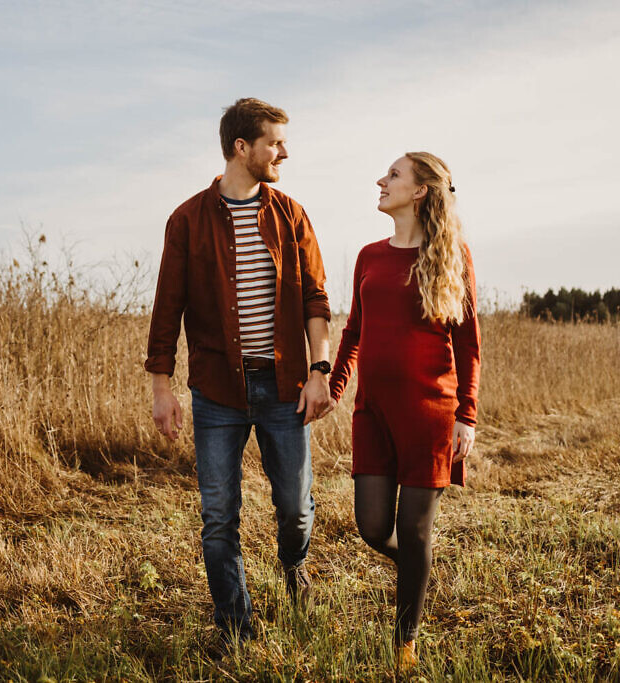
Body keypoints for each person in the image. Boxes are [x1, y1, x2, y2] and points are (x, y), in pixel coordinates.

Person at [145, 98, 334, 646]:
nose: (284, 152)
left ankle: (293, 566)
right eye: (275, 142)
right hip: (217, 393)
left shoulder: (291, 215)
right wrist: (162, 388)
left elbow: (317, 300)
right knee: (219, 515)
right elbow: (167, 307)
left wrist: (320, 368)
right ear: (241, 147)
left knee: (295, 506)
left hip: (284, 387)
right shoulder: (186, 220)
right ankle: (235, 625)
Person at [328, 152, 480, 672]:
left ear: (419, 191)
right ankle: (418, 571)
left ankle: (404, 641)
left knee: (414, 531)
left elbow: (469, 343)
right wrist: (335, 384)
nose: (380, 180)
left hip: (430, 412)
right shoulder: (369, 256)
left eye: (392, 175)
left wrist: (468, 414)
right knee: (372, 526)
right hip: (372, 412)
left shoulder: (451, 254)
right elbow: (354, 331)